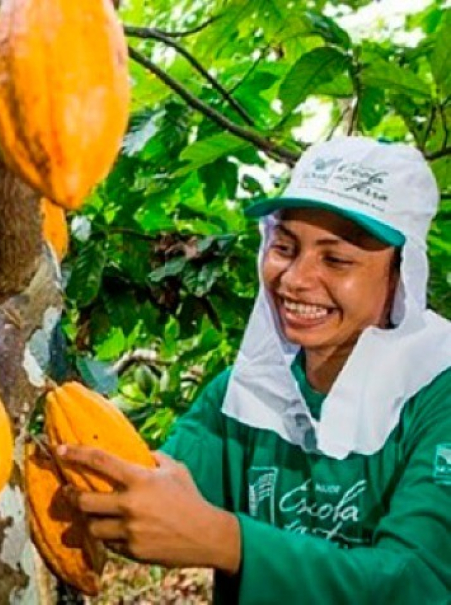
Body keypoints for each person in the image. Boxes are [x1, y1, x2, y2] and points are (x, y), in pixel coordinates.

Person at [57, 137, 451, 603]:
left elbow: (421, 584)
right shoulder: (248, 394)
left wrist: (227, 541)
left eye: (336, 259)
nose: (295, 278)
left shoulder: (437, 397)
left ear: (401, 276)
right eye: (285, 247)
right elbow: (140, 488)